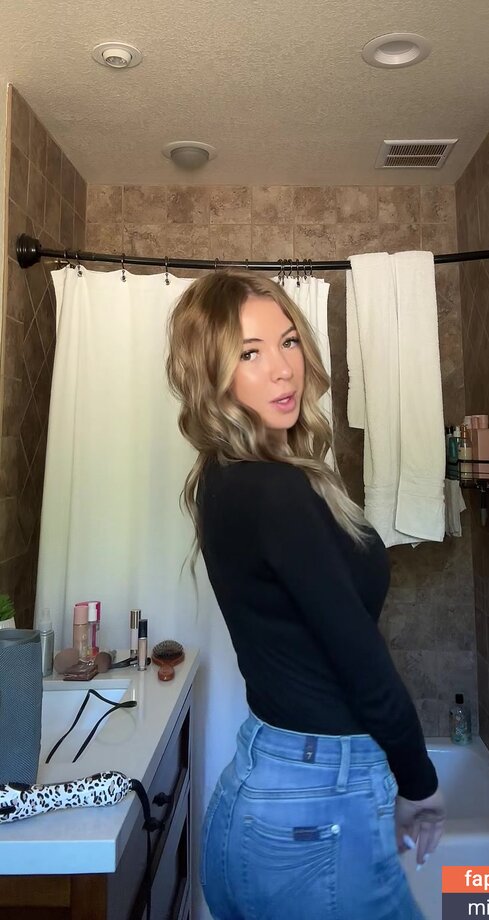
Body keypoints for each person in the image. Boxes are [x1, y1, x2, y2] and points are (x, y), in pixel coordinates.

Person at [167, 269, 446, 920]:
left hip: (258, 795)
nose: (282, 368)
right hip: (318, 809)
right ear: (212, 376)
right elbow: (360, 657)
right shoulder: (275, 491)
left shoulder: (222, 481)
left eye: (288, 341)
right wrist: (420, 782)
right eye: (250, 353)